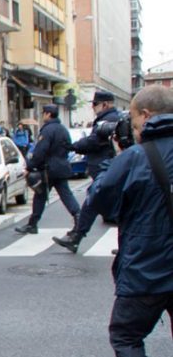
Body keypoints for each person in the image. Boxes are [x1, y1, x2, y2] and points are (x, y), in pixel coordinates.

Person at [86, 85, 173, 357]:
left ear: (147, 116)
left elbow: (101, 202)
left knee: (125, 335)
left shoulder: (135, 157)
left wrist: (117, 158)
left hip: (147, 269)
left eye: (134, 118)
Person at [52, 90, 123, 250]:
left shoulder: (108, 120)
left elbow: (94, 141)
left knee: (98, 204)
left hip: (105, 169)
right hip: (105, 168)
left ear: (105, 104)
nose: (93, 107)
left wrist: (73, 146)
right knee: (100, 205)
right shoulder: (108, 119)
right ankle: (77, 238)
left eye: (95, 104)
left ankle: (77, 237)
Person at [14, 104, 79, 235]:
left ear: (48, 114)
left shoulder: (47, 130)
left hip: (49, 169)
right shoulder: (63, 129)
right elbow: (68, 147)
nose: (43, 115)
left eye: (43, 113)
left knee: (40, 196)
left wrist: (30, 166)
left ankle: (32, 224)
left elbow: (40, 151)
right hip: (61, 167)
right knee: (64, 195)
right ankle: (78, 217)